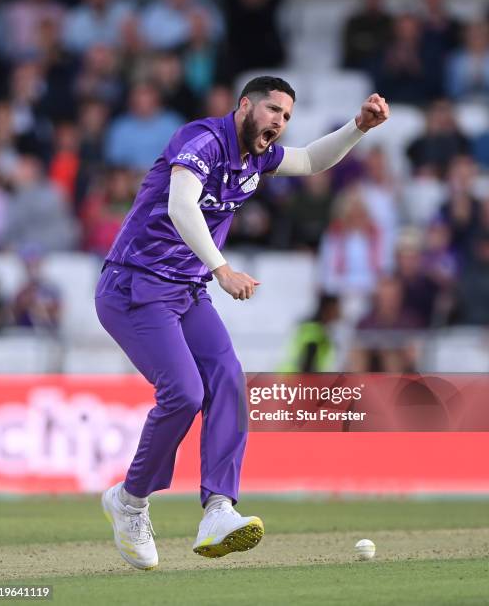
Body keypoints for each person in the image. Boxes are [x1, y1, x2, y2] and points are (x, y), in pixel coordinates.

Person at [96, 76, 389, 569]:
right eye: (273, 110)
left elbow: (313, 160)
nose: (280, 122)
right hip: (133, 286)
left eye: (288, 116)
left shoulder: (256, 158)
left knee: (228, 379)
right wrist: (222, 269)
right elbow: (179, 205)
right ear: (245, 105)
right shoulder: (201, 141)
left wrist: (357, 128)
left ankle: (218, 508)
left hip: (184, 292)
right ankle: (129, 503)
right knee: (185, 393)